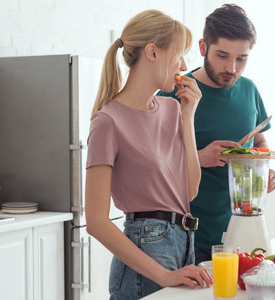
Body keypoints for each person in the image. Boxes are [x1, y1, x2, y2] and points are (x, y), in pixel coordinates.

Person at [85, 9, 212, 300]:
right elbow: (96, 221)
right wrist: (164, 275)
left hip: (184, 242)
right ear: (152, 52)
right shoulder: (108, 121)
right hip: (147, 251)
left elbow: (189, 191)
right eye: (179, 55)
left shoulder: (170, 109)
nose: (183, 66)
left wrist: (188, 116)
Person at [157, 4, 275, 265]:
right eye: (223, 55)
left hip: (236, 233)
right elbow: (148, 165)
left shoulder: (249, 90)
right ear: (203, 48)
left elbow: (259, 139)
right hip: (181, 236)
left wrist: (263, 165)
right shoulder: (173, 92)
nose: (232, 68)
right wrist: (198, 157)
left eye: (241, 58)